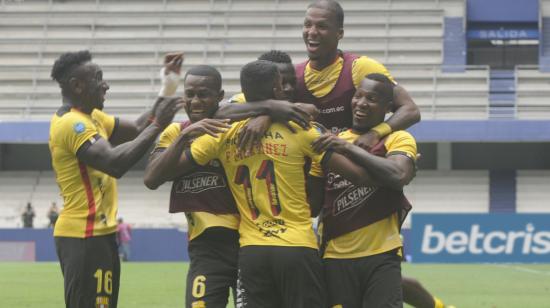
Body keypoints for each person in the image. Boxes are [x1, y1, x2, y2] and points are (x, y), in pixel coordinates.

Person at [166, 60, 385, 308]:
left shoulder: (221, 133)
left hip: (252, 250)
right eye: (282, 85)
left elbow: (169, 169)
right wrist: (378, 163)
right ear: (277, 88)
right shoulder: (301, 130)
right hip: (296, 247)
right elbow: (357, 176)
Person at [144, 53, 314, 308]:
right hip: (207, 246)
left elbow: (302, 109)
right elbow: (151, 177)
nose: (196, 101)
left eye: (203, 94)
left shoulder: (233, 121)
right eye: (190, 94)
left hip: (246, 239)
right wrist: (184, 137)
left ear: (220, 96)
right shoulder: (177, 132)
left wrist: (267, 112)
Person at [49, 50, 181, 308]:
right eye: (99, 79)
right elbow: (114, 164)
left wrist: (168, 87)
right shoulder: (71, 124)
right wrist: (159, 126)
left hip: (101, 235)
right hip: (83, 236)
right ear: (78, 85)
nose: (106, 85)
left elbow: (138, 129)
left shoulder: (92, 117)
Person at [308, 73, 416, 307]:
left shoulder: (398, 138)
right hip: (334, 256)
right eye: (358, 96)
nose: (361, 103)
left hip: (382, 255)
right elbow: (313, 206)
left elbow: (398, 175)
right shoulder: (330, 142)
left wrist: (348, 148)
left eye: (372, 98)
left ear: (388, 107)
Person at [297, 0, 420, 148]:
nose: (312, 32)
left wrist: (375, 134)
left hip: (355, 165)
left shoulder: (361, 67)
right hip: (313, 168)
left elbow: (411, 110)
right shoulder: (294, 76)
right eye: (307, 25)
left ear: (339, 33)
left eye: (322, 26)